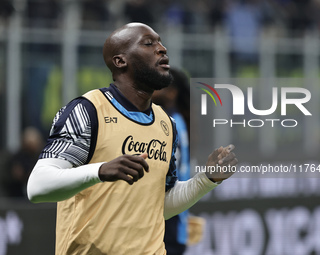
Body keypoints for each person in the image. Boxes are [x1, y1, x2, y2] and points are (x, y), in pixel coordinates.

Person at [27, 22, 238, 255]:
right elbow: (38, 187)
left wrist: (205, 180)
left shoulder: (166, 124)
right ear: (120, 61)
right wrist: (100, 171)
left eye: (160, 42)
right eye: (149, 44)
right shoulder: (88, 110)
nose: (162, 48)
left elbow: (158, 207)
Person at [152, 68, 191, 254]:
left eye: (157, 85)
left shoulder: (168, 124)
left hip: (168, 227)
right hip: (173, 225)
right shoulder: (176, 120)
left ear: (172, 92)